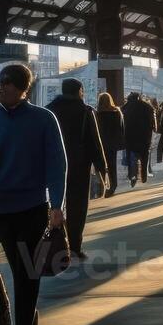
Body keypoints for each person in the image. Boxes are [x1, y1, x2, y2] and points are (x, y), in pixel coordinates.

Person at [0, 63, 67, 325]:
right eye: (0, 83)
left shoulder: (44, 119)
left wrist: (58, 205)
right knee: (22, 269)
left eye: (8, 84)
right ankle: (28, 324)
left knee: (28, 271)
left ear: (24, 89)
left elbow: (57, 165)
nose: (1, 88)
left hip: (34, 208)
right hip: (1, 211)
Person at [46, 78, 108, 261]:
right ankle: (74, 247)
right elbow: (94, 142)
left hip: (53, 165)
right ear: (79, 91)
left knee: (55, 204)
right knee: (78, 207)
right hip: (79, 165)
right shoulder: (86, 111)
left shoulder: (49, 110)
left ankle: (57, 246)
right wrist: (101, 167)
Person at [122, 91, 156, 186]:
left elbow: (121, 124)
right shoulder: (148, 107)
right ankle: (144, 175)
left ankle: (133, 175)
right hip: (144, 137)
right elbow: (153, 124)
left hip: (130, 137)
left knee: (131, 158)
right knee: (144, 157)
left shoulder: (125, 108)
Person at [95, 92, 125, 197]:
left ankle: (102, 187)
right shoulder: (117, 112)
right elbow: (121, 128)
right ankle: (113, 186)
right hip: (112, 143)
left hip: (101, 143)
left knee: (101, 165)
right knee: (112, 166)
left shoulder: (97, 113)